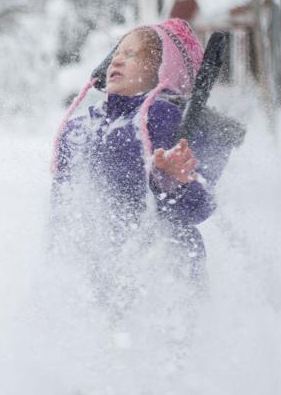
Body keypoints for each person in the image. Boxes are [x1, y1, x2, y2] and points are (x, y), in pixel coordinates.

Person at [49, 18, 231, 286]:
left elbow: (198, 209)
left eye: (131, 55)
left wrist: (174, 183)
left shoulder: (163, 117)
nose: (117, 60)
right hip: (100, 266)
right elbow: (61, 206)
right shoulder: (77, 129)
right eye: (117, 53)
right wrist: (54, 263)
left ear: (163, 70)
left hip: (165, 268)